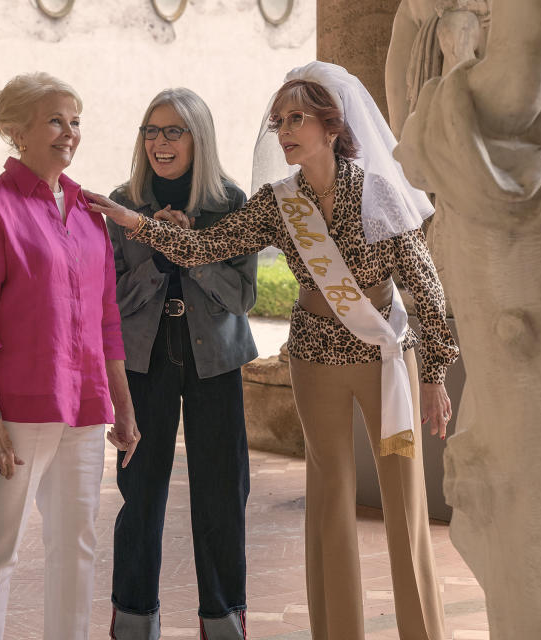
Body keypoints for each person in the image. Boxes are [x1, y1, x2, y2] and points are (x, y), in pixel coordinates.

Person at [89, 61, 459, 640]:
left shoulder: (380, 191)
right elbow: (209, 247)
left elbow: (426, 285)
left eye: (297, 119)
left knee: (404, 506)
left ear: (332, 126)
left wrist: (433, 373)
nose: (284, 131)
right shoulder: (276, 202)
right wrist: (138, 223)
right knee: (329, 505)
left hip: (388, 360)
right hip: (313, 364)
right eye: (278, 120)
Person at [0, 72, 138, 640]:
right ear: (16, 131)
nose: (69, 133)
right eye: (55, 120)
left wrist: (122, 407)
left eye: (75, 121)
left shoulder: (87, 214)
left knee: (76, 545)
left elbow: (108, 321)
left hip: (83, 408)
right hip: (18, 410)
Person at [106, 88, 258, 639]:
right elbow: (114, 299)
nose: (160, 142)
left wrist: (192, 253)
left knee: (221, 489)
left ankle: (223, 618)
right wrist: (159, 256)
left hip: (214, 357)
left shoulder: (230, 203)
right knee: (140, 488)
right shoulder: (123, 203)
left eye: (174, 131)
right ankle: (133, 618)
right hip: (146, 357)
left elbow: (241, 297)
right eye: (152, 130)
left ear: (199, 138)